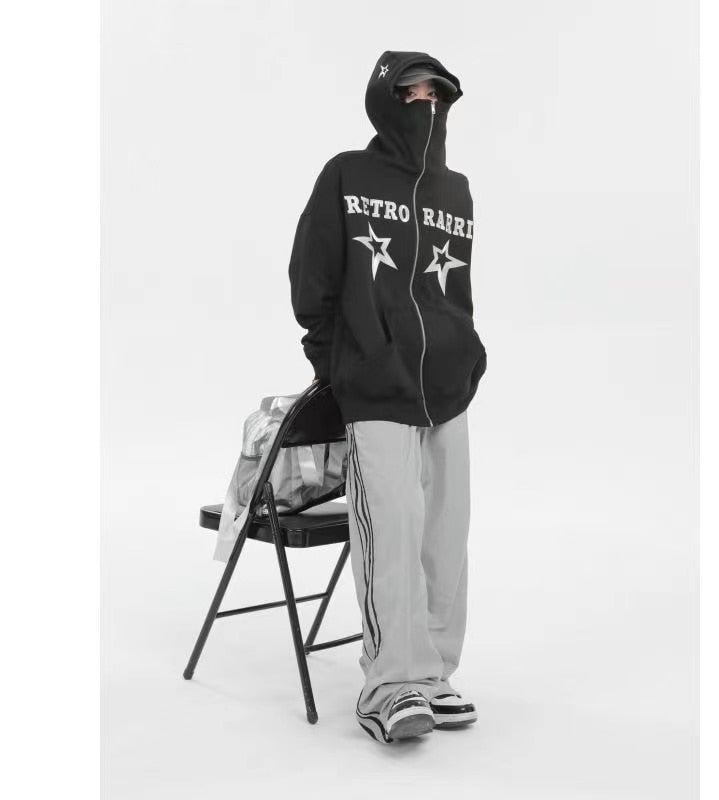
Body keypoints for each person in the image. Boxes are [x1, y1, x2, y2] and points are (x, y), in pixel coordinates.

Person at [288, 50, 487, 744]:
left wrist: (466, 354)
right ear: (384, 100)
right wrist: (345, 366)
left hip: (448, 391)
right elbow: (311, 281)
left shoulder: (457, 191)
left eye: (435, 92)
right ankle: (389, 684)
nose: (424, 102)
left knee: (445, 537)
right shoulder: (347, 174)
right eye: (410, 92)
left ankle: (433, 675)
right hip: (376, 391)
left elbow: (456, 292)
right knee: (394, 530)